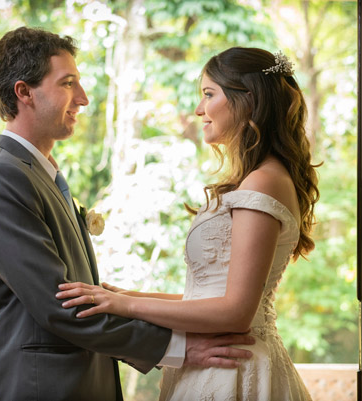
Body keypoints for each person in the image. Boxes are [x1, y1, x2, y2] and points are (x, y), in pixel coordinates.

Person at [0, 27, 254, 401]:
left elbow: (86, 295)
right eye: (68, 83)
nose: (82, 99)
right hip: (32, 389)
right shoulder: (0, 178)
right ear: (24, 92)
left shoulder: (42, 175)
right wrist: (177, 348)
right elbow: (60, 306)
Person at [56, 47, 320, 400]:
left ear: (249, 101)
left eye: (209, 95)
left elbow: (236, 312)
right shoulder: (257, 178)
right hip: (217, 360)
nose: (199, 109)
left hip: (235, 369)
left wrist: (126, 307)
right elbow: (206, 297)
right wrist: (124, 294)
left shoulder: (264, 181)